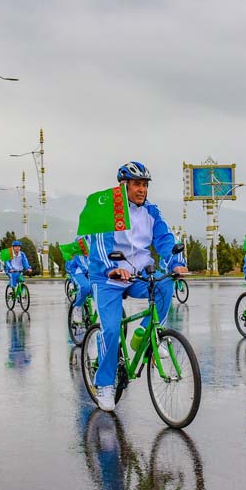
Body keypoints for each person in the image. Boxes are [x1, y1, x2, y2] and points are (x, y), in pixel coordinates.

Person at [88, 161, 187, 412]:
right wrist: (111, 267)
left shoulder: (152, 211)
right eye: (137, 185)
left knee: (165, 285)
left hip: (137, 273)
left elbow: (165, 239)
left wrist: (175, 263)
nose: (142, 190)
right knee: (110, 331)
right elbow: (99, 243)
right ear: (124, 185)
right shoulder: (108, 209)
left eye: (144, 185)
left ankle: (145, 335)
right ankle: (105, 384)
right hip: (108, 277)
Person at [67, 237, 92, 309]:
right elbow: (81, 259)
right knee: (86, 287)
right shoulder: (80, 239)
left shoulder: (100, 236)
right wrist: (87, 271)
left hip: (94, 269)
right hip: (80, 270)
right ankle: (77, 307)